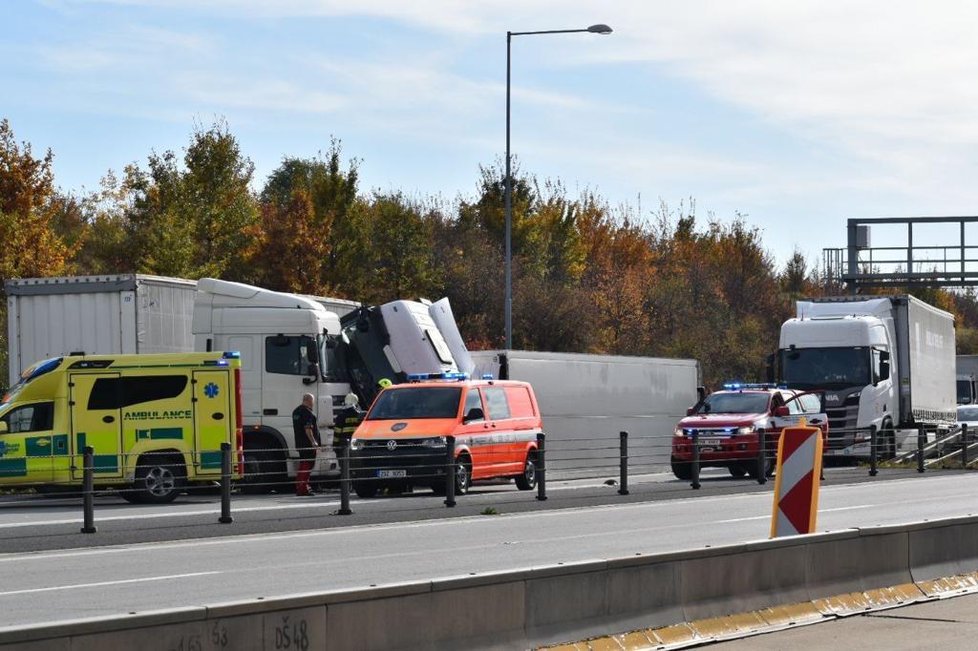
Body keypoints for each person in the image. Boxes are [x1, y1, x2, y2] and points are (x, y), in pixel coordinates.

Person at [292, 393, 321, 496]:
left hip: (300, 443)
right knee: (307, 466)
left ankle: (301, 486)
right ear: (309, 400)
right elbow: (308, 429)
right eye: (312, 401)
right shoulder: (307, 413)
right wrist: (313, 442)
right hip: (308, 444)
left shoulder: (296, 411)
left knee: (303, 464)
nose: (313, 403)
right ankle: (303, 488)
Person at [332, 392, 364, 460]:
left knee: (344, 467)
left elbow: (337, 433)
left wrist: (335, 446)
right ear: (356, 403)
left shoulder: (341, 416)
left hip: (343, 446)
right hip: (357, 446)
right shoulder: (361, 416)